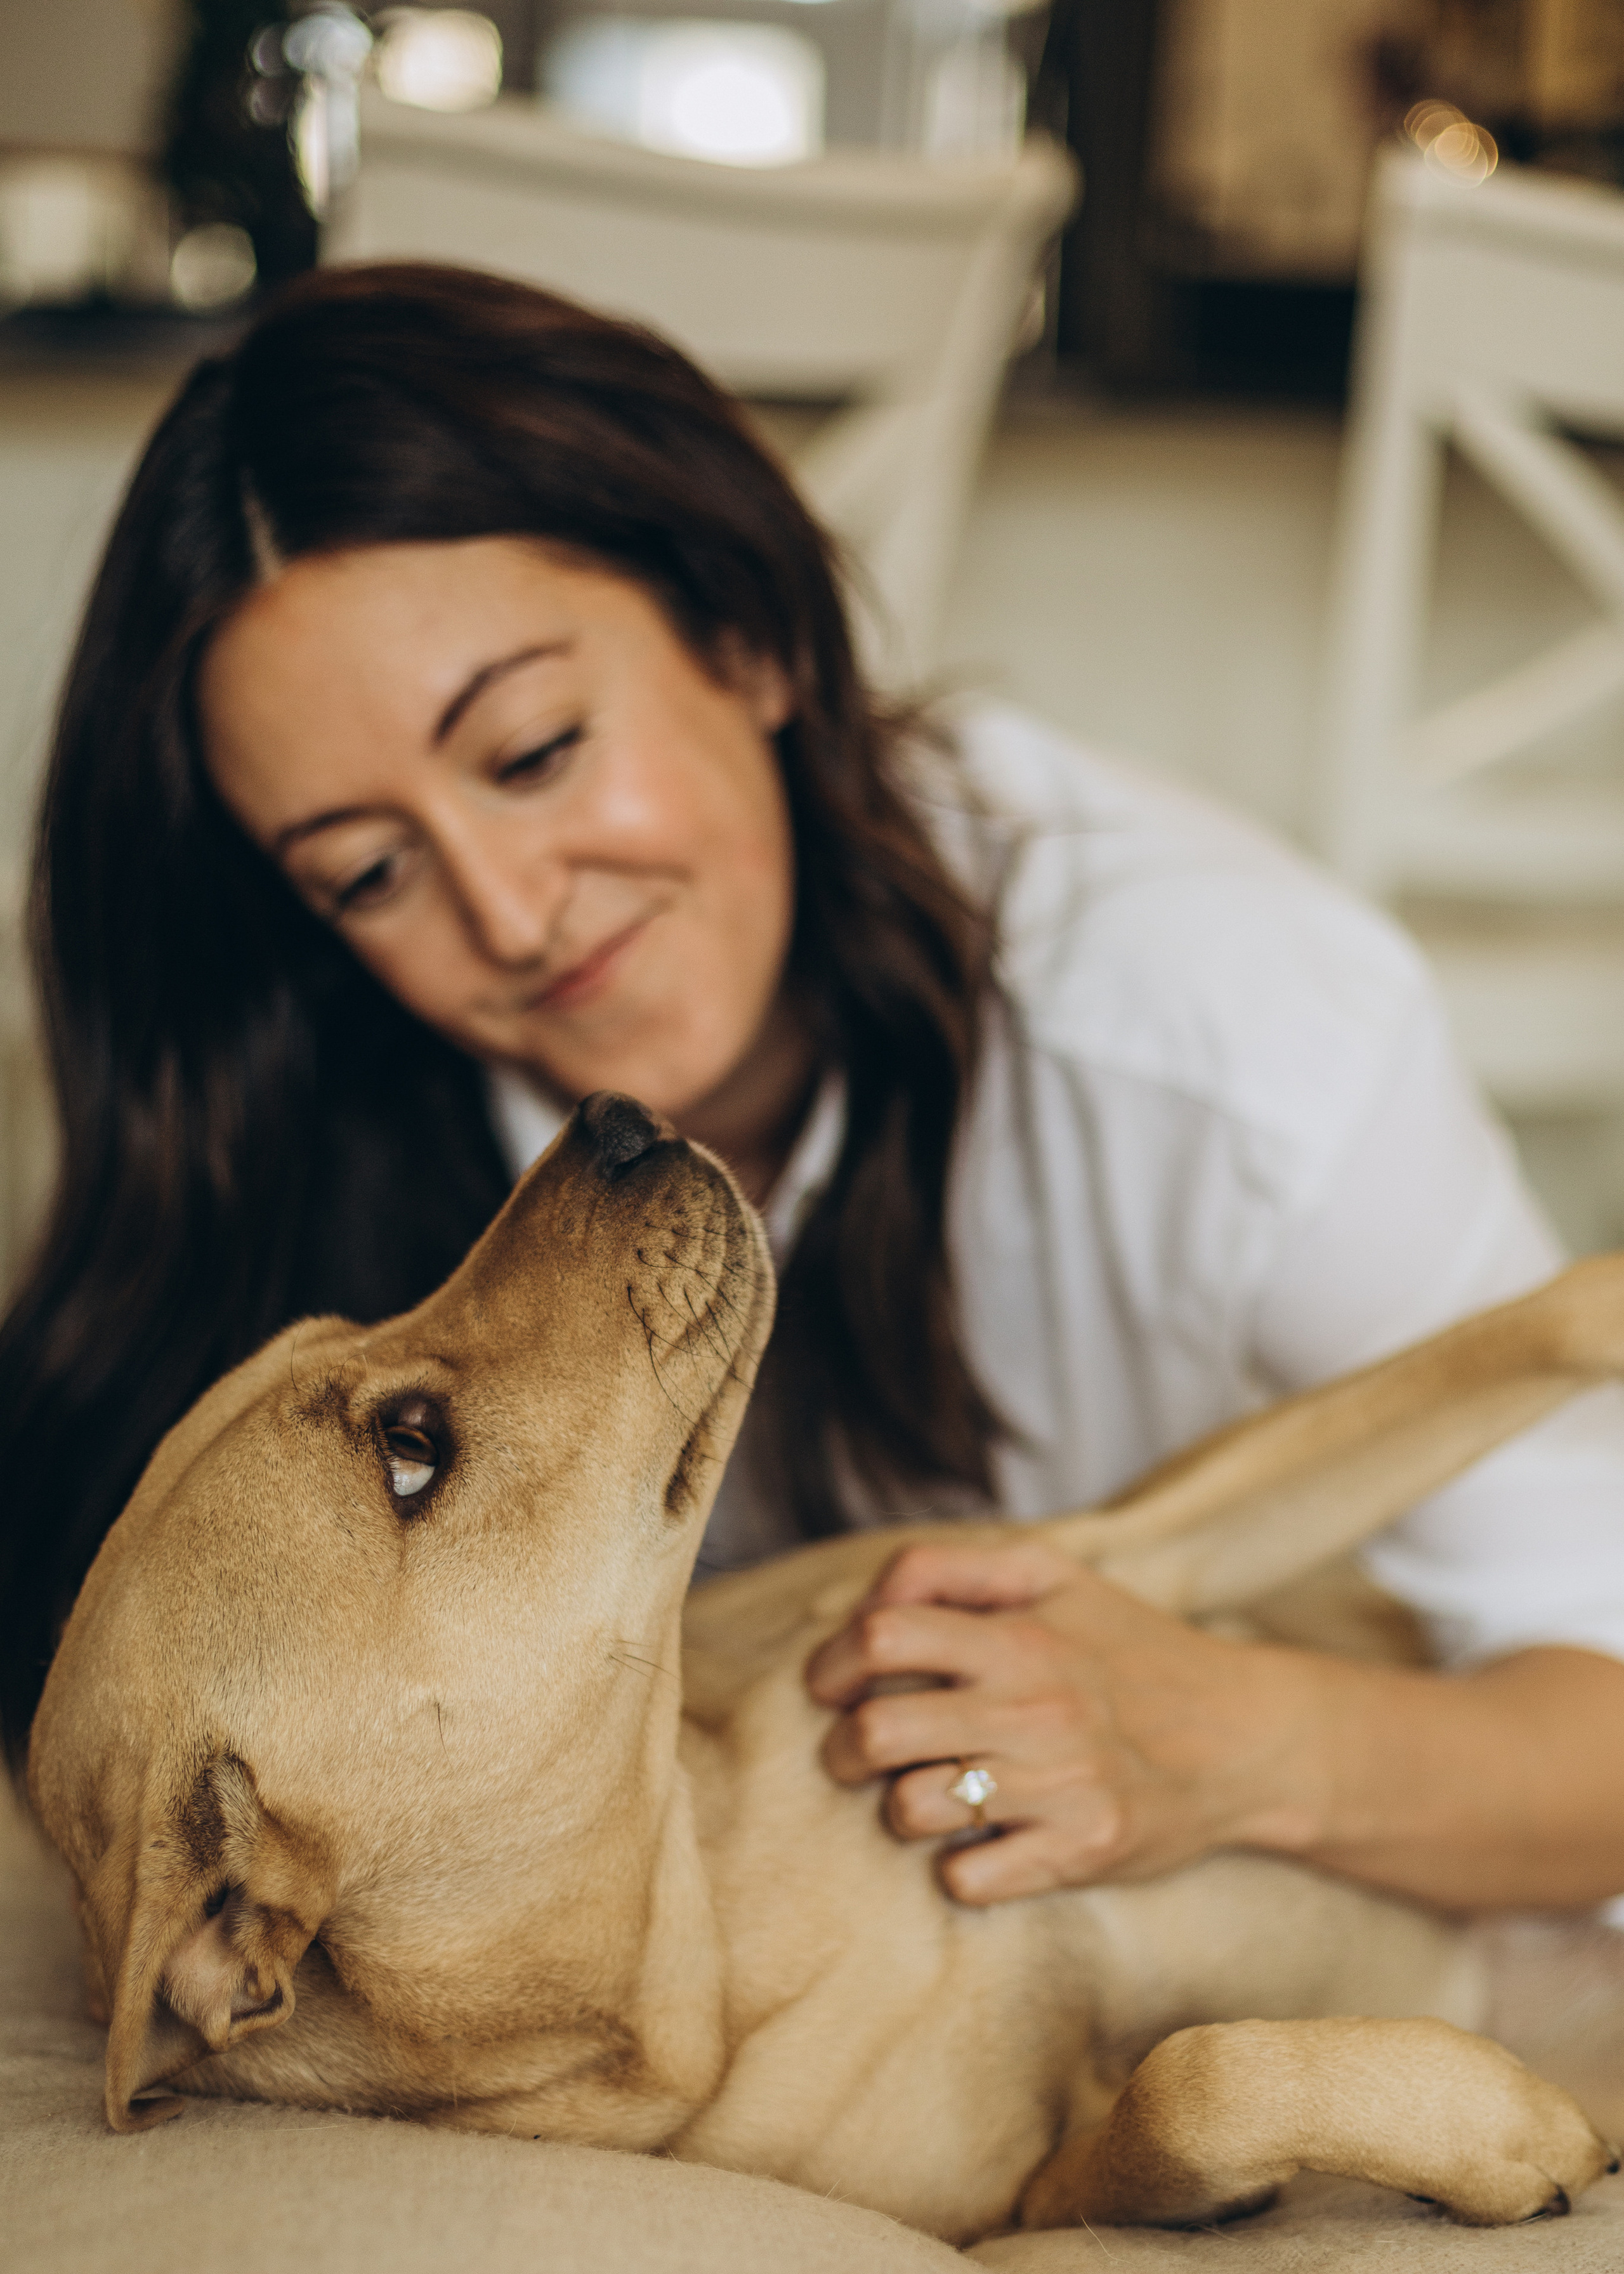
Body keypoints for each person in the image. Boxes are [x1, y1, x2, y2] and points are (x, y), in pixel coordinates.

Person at [5, 261, 1624, 1922]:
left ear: (752, 635)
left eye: (538, 749)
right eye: (365, 872)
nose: (507, 914)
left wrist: (1241, 1745)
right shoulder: (317, 1095)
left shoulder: (1244, 1037)